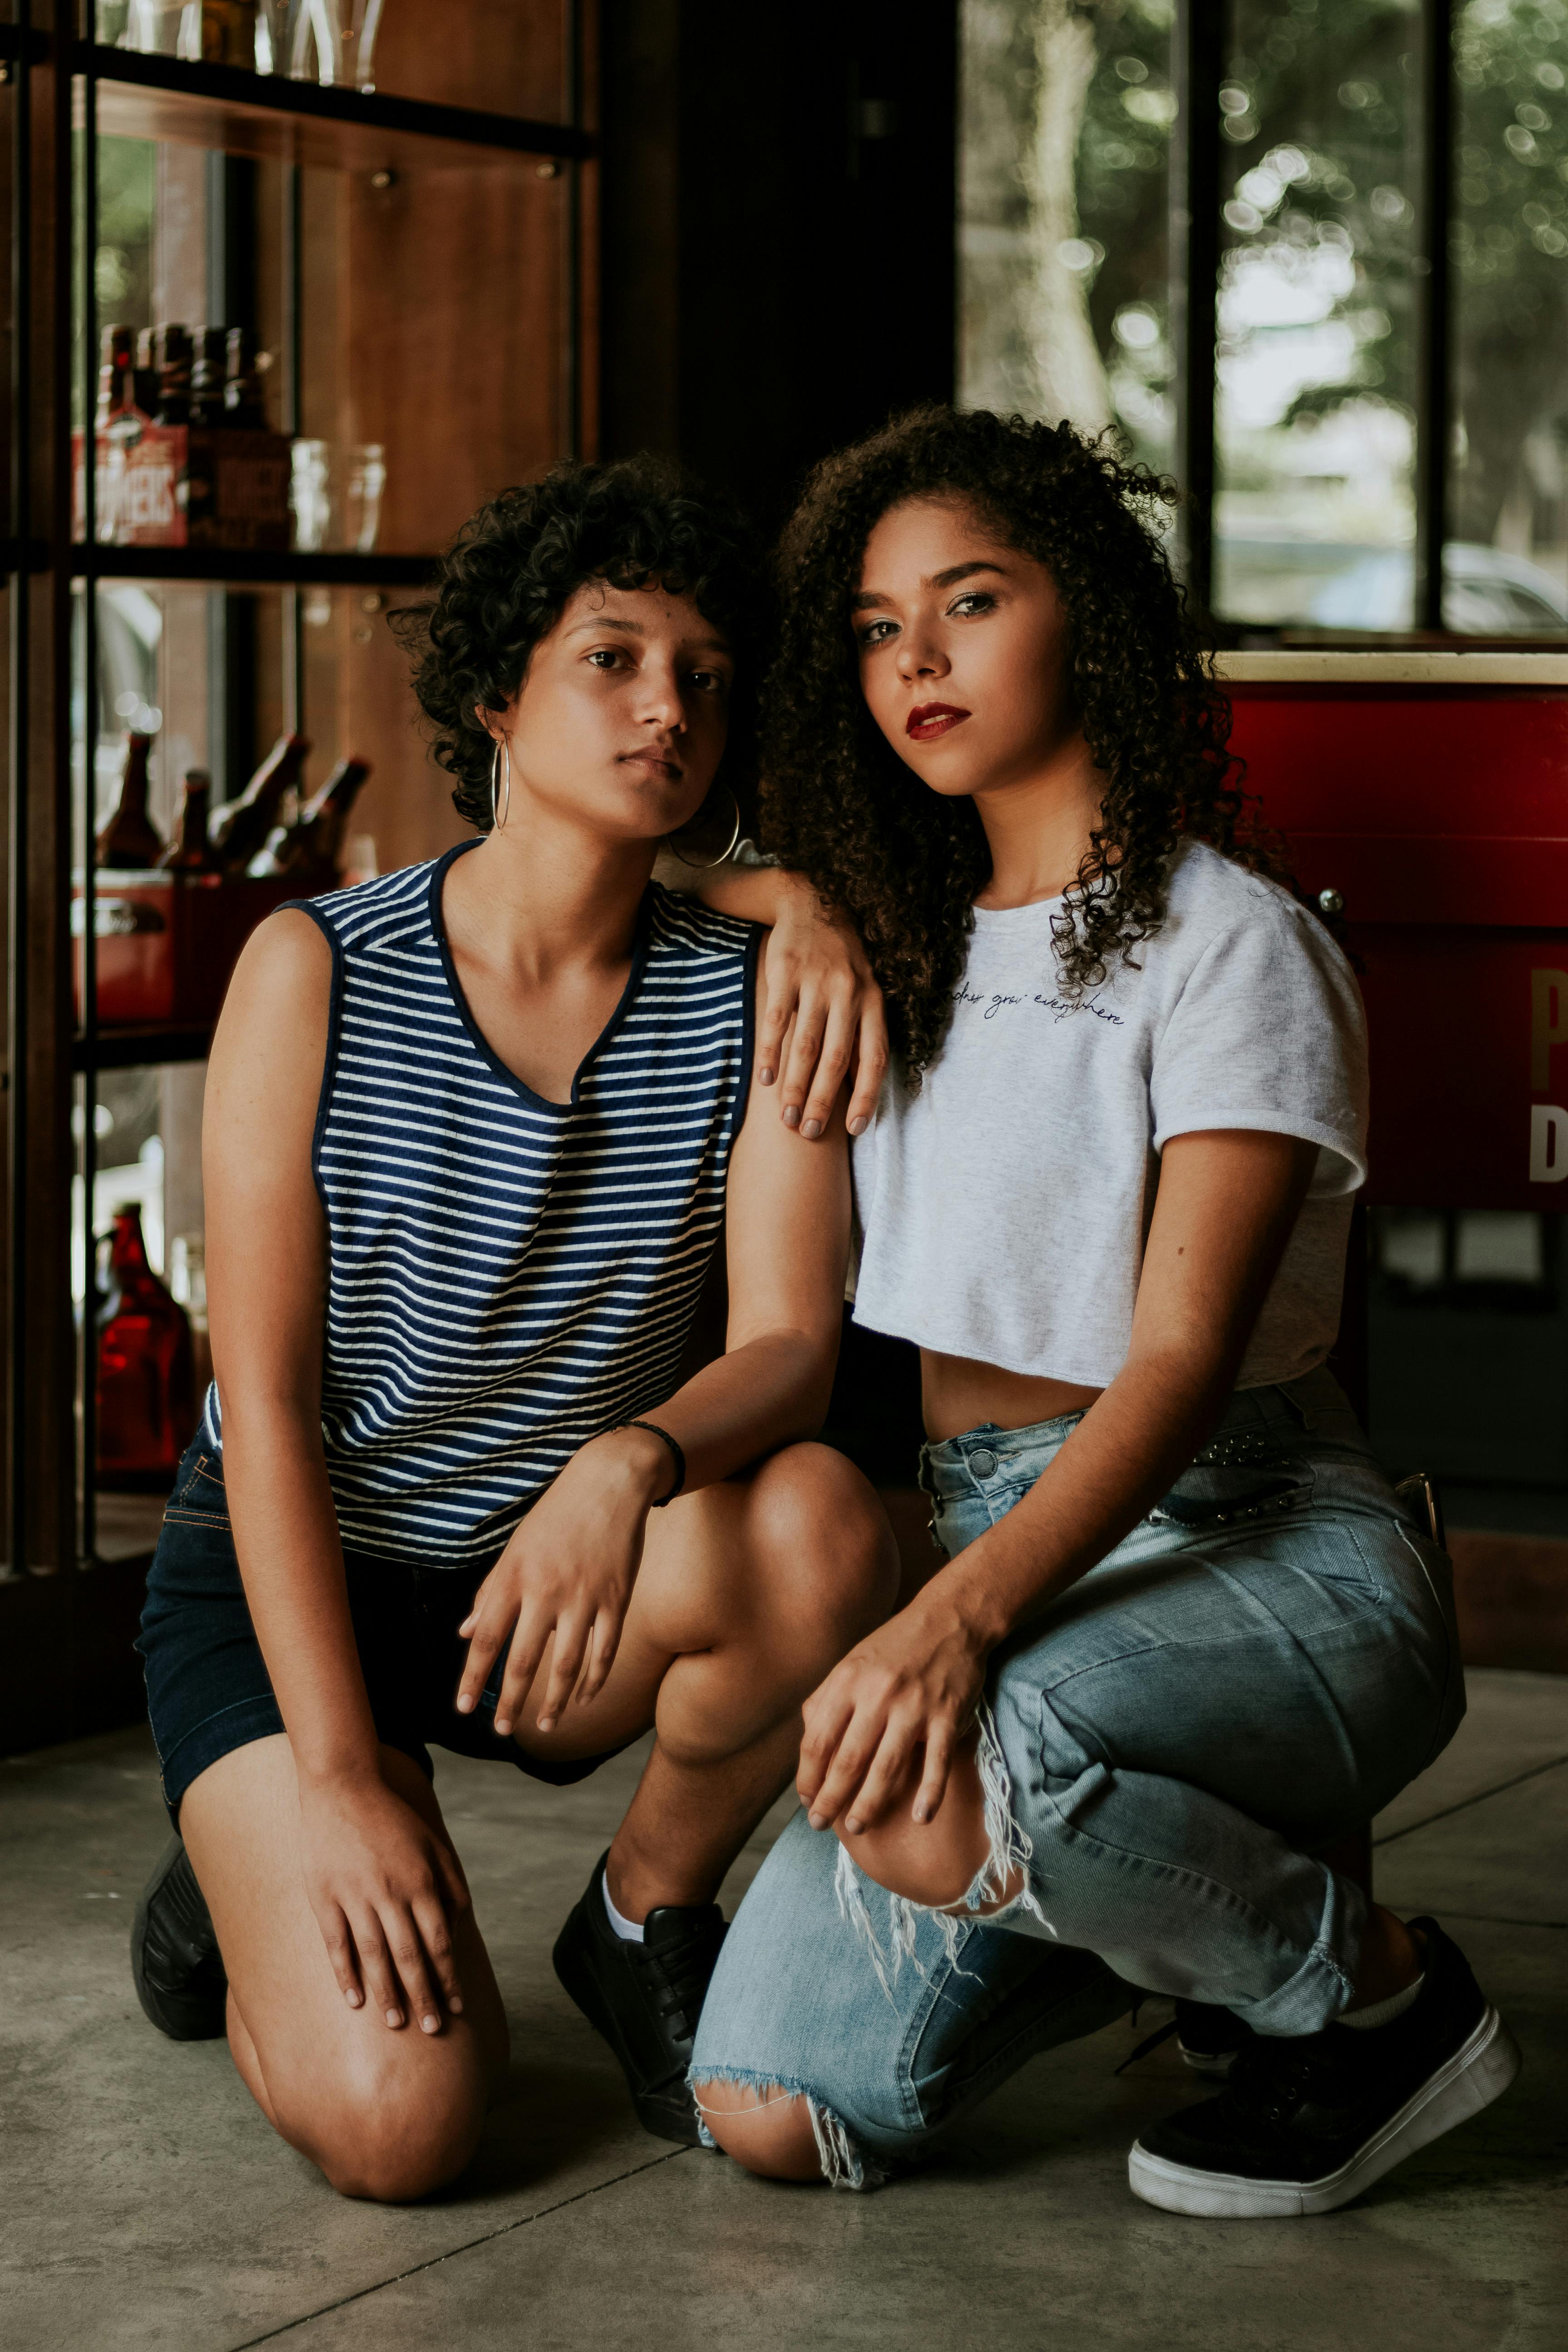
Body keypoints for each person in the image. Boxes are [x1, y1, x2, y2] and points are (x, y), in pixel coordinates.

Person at [684, 407, 1520, 2215]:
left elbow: (1179, 1361)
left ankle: (1375, 1998)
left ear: (1095, 620)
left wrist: (950, 1624)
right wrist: (815, 885)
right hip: (1011, 1549)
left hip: (1258, 1535)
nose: (917, 659)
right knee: (769, 2108)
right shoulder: (893, 938)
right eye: (877, 626)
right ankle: (1165, 1910)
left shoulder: (1236, 946)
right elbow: (651, 858)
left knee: (940, 1768)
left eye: (970, 603)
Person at [129, 458, 898, 2201]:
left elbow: (789, 1340)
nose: (665, 709)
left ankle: (640, 1915)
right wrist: (333, 1777)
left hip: (547, 1588)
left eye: (705, 679)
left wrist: (626, 1467)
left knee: (823, 1526)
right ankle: (237, 1867)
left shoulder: (755, 979)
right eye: (613, 660)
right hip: (293, 1576)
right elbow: (261, 1399)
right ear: (496, 693)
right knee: (407, 2130)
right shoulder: (311, 965)